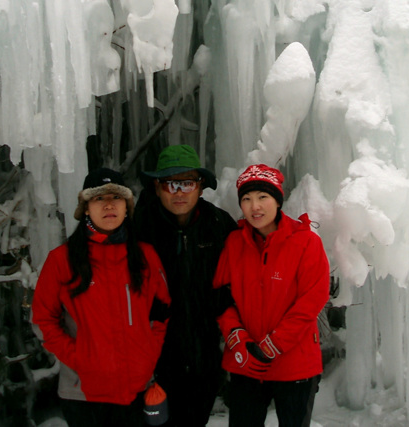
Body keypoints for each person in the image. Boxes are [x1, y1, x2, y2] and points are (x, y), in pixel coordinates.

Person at [32, 168, 171, 427]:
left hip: (137, 389)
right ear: (85, 208)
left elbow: (161, 311)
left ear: (127, 206)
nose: (109, 205)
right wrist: (80, 359)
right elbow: (42, 320)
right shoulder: (61, 260)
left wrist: (148, 356)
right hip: (83, 394)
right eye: (98, 198)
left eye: (116, 198)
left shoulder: (146, 256)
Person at [213, 164, 330, 427]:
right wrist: (238, 338)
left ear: (277, 201)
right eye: (246, 199)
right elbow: (222, 297)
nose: (254, 206)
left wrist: (273, 344)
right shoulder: (234, 243)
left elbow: (312, 299)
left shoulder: (306, 242)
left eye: (262, 197)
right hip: (247, 362)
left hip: (295, 362)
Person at [133, 145, 238, 427]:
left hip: (204, 360)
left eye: (187, 183)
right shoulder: (139, 228)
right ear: (157, 187)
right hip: (153, 362)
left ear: (200, 187)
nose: (179, 192)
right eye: (171, 184)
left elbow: (246, 279)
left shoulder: (219, 225)